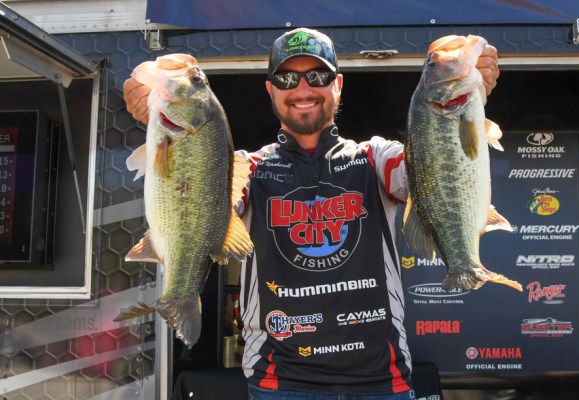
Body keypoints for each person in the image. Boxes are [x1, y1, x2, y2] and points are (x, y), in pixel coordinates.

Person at [124, 27, 500, 400]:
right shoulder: (245, 168)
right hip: (280, 384)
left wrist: (466, 94)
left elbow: (435, 171)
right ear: (271, 90)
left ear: (338, 85)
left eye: (317, 76)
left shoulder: (377, 158)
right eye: (287, 78)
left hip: (381, 384)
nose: (303, 89)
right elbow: (196, 209)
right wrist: (160, 126)